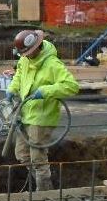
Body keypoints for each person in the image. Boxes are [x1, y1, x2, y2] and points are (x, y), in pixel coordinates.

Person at [6, 30, 79, 191]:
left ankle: (44, 196)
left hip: (42, 117)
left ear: (37, 47)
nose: (27, 56)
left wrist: (45, 91)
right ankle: (45, 183)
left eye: (30, 53)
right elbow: (19, 75)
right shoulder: (25, 60)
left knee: (38, 159)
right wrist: (12, 88)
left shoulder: (52, 64)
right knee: (22, 155)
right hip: (25, 113)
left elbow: (72, 86)